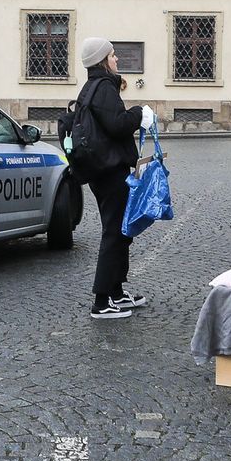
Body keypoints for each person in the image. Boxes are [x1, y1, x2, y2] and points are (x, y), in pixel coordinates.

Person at [73, 37, 155, 319]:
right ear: (102, 60)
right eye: (112, 55)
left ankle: (116, 293)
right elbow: (117, 125)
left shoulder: (91, 87)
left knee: (121, 231)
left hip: (102, 169)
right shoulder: (104, 88)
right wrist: (138, 113)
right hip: (109, 171)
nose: (117, 59)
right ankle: (101, 301)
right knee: (113, 233)